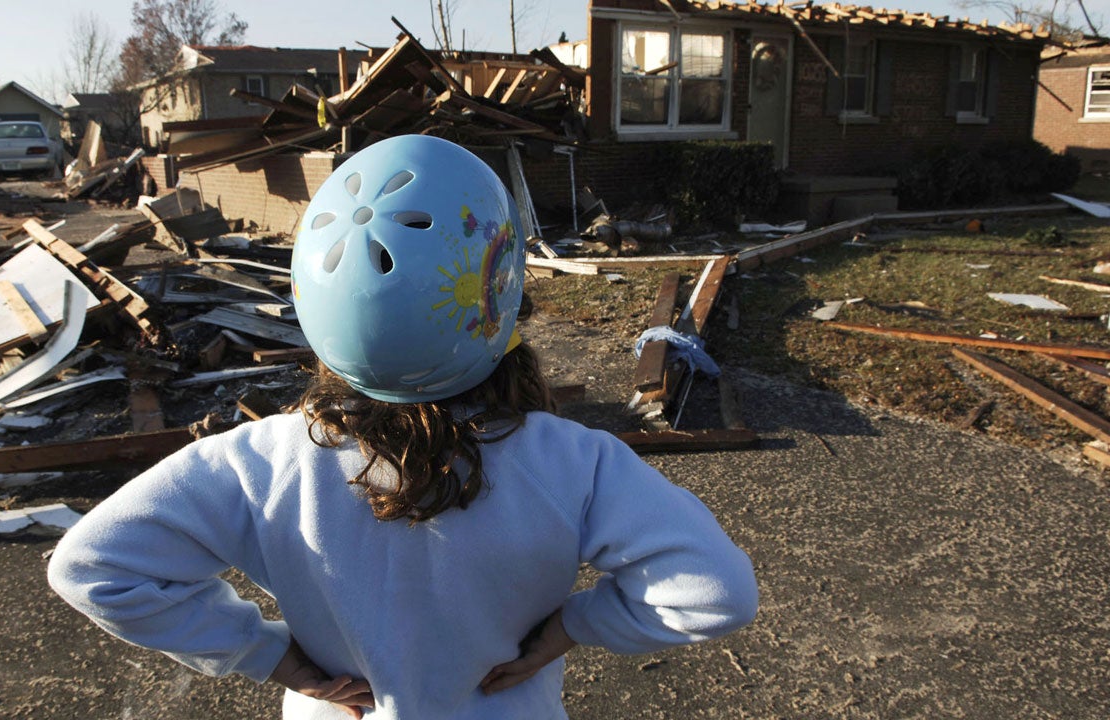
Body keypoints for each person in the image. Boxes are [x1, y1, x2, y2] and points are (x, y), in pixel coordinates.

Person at [48, 134, 758, 719]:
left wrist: (270, 657)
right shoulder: (574, 463)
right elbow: (716, 591)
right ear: (501, 293)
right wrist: (571, 629)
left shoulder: (258, 462)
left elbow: (92, 566)